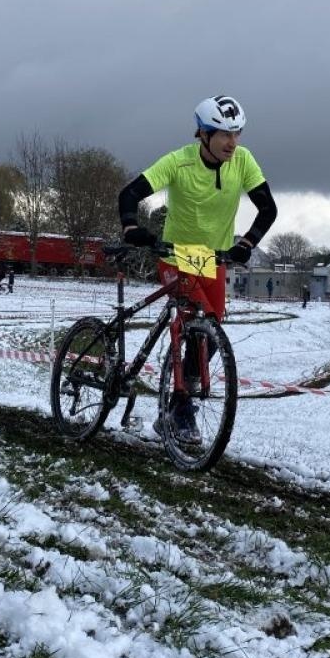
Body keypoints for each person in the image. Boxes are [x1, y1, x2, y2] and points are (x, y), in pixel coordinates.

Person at [118, 94, 277, 442]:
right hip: (176, 256)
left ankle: (175, 401)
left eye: (237, 134)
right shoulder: (179, 162)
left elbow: (268, 210)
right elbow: (129, 195)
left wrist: (246, 243)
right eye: (224, 134)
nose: (232, 143)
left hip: (212, 259)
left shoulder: (243, 160)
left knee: (211, 331)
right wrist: (131, 226)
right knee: (196, 319)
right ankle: (182, 407)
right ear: (203, 134)